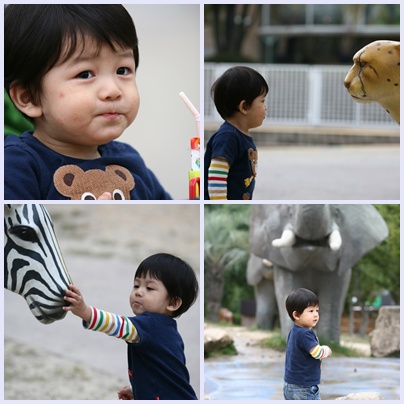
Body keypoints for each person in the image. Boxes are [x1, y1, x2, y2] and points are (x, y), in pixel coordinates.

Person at [4, 5, 171, 200]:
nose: (113, 91)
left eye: (122, 70)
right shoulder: (17, 166)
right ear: (29, 98)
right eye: (85, 74)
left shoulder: (130, 160)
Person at [63, 253, 199, 400]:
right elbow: (166, 376)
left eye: (149, 288)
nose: (139, 292)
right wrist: (139, 389)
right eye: (136, 285)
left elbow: (119, 325)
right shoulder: (169, 331)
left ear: (173, 303)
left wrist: (85, 311)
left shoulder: (150, 325)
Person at [204, 66, 268, 200]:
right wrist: (221, 206)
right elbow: (216, 178)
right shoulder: (228, 137)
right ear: (244, 107)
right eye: (262, 101)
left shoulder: (239, 136)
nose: (265, 107)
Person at [284, 288, 332, 400]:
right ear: (296, 315)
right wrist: (327, 349)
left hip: (290, 385)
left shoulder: (295, 331)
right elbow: (317, 353)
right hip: (304, 387)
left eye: (317, 310)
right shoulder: (305, 334)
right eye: (311, 311)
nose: (315, 315)